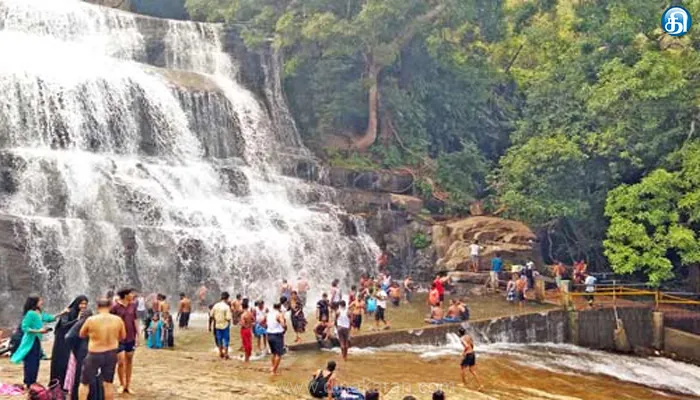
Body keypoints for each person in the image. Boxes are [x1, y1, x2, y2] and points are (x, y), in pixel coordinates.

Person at [11, 296, 68, 388]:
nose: (42, 302)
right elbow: (25, 327)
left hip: (36, 340)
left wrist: (62, 313)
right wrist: (39, 331)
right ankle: (29, 383)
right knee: (30, 361)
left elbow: (49, 318)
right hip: (29, 341)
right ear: (35, 302)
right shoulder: (30, 313)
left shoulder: (38, 313)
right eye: (40, 300)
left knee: (36, 361)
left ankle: (33, 381)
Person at [79, 298, 127, 400]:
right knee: (108, 384)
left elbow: (81, 334)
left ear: (97, 307)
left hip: (94, 354)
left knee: (84, 383)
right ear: (110, 306)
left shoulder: (91, 320)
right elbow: (123, 336)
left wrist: (93, 334)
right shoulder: (118, 320)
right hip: (111, 353)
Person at [51, 295, 89, 388]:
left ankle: (69, 384)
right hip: (62, 342)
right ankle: (58, 384)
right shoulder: (68, 312)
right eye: (81, 303)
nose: (83, 306)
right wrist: (77, 320)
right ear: (77, 303)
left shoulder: (84, 313)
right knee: (62, 362)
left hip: (73, 341)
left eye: (85, 304)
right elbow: (63, 326)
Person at [64, 305, 97, 400]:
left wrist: (75, 347)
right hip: (90, 350)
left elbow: (68, 337)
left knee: (80, 375)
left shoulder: (81, 323)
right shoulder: (90, 323)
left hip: (82, 351)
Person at [110, 288, 138, 394]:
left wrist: (138, 335)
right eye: (131, 294)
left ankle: (128, 385)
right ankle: (121, 384)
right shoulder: (115, 307)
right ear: (125, 295)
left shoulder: (133, 305)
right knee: (121, 361)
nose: (133, 295)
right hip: (118, 338)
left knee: (129, 360)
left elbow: (135, 320)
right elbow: (110, 320)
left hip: (131, 336)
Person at [266, 303, 287, 375]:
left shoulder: (269, 314)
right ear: (280, 308)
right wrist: (285, 328)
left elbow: (265, 323)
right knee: (278, 354)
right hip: (277, 335)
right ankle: (274, 371)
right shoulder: (279, 314)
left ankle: (272, 367)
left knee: (273, 353)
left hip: (269, 335)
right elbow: (283, 324)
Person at [211, 292, 232, 360]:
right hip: (225, 325)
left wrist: (216, 320)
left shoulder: (216, 305)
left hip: (217, 325)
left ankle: (220, 353)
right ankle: (226, 354)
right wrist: (229, 324)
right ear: (227, 298)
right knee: (226, 340)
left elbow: (211, 315)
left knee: (219, 339)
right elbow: (228, 318)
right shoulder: (226, 307)